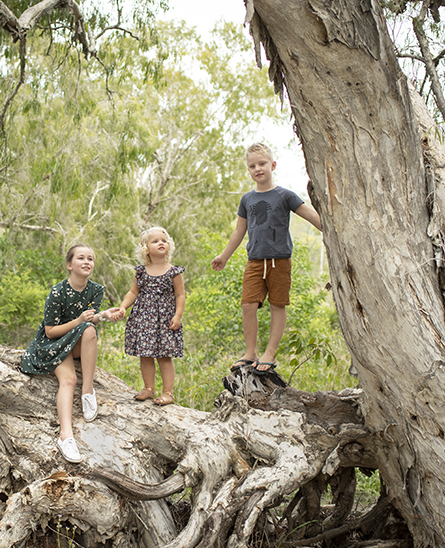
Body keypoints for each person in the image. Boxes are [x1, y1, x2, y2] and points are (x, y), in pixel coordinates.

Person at [211, 142, 322, 375]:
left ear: (272, 165)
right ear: (248, 170)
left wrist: (332, 230)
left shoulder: (285, 195)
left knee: (277, 305)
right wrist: (224, 256)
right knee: (248, 305)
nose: (257, 169)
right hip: (254, 261)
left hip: (279, 261)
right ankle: (250, 352)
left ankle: (269, 353)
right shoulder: (247, 200)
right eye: (252, 166)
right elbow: (239, 231)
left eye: (262, 164)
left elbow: (310, 215)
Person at [21, 244, 118, 463]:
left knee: (90, 330)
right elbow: (50, 331)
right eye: (81, 258)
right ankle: (66, 436)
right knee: (69, 379)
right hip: (52, 343)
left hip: (76, 339)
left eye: (90, 259)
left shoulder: (96, 290)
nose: (86, 262)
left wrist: (103, 315)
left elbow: (89, 320)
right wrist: (78, 321)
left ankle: (88, 392)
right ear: (69, 264)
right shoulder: (57, 292)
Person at [113, 227, 185, 406]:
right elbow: (133, 292)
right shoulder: (141, 271)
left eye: (164, 240)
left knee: (164, 356)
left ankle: (168, 392)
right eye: (155, 241)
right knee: (145, 355)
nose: (161, 243)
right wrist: (123, 306)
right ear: (146, 248)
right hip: (144, 320)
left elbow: (180, 295)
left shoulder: (174, 272)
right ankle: (149, 389)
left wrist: (178, 315)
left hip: (165, 320)